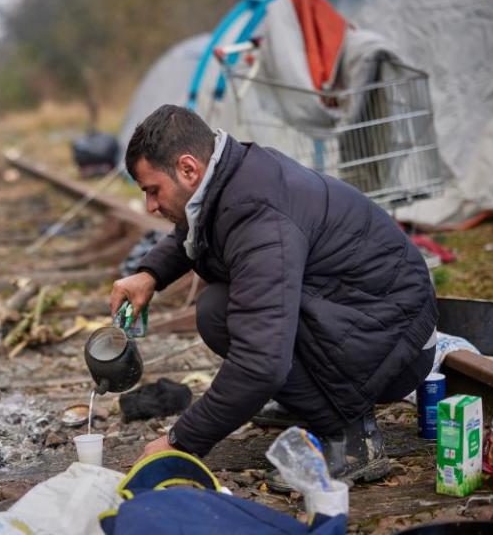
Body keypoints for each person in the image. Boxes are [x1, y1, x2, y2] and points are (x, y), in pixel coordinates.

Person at [109, 104, 437, 484]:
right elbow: (196, 224)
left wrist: (180, 441)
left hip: (395, 343)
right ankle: (310, 401)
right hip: (366, 314)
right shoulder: (233, 174)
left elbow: (260, 363)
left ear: (188, 168)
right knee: (217, 309)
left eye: (153, 190)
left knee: (234, 325)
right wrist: (150, 274)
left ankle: (349, 436)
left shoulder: (258, 215)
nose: (150, 205)